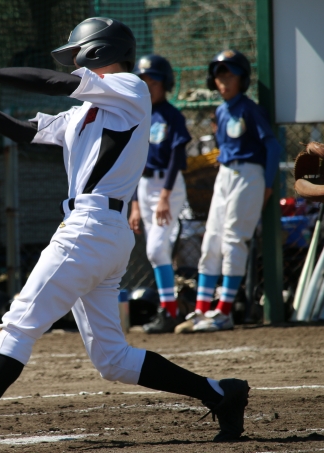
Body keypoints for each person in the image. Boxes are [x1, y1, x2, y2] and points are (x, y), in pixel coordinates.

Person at [0, 18, 249, 453]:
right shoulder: (84, 111)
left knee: (18, 324)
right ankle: (220, 393)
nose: (73, 62)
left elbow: (55, 83)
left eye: (78, 53)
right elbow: (25, 131)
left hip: (91, 229)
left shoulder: (130, 87)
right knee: (112, 358)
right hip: (99, 233)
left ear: (98, 50)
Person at [175, 50, 281, 333]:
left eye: (230, 75)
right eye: (220, 76)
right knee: (211, 239)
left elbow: (272, 146)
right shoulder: (221, 111)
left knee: (234, 239)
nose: (223, 81)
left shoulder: (249, 108)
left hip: (249, 174)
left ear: (242, 79)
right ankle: (201, 311)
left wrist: (268, 184)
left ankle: (224, 313)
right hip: (225, 174)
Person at [128, 54, 191, 334]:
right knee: (157, 251)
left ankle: (169, 311)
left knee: (155, 249)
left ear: (165, 83)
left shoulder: (172, 115)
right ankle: (169, 312)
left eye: (153, 81)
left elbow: (177, 159)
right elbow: (133, 162)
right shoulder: (139, 115)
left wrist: (165, 195)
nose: (148, 86)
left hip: (168, 184)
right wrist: (134, 204)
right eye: (143, 81)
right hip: (144, 186)